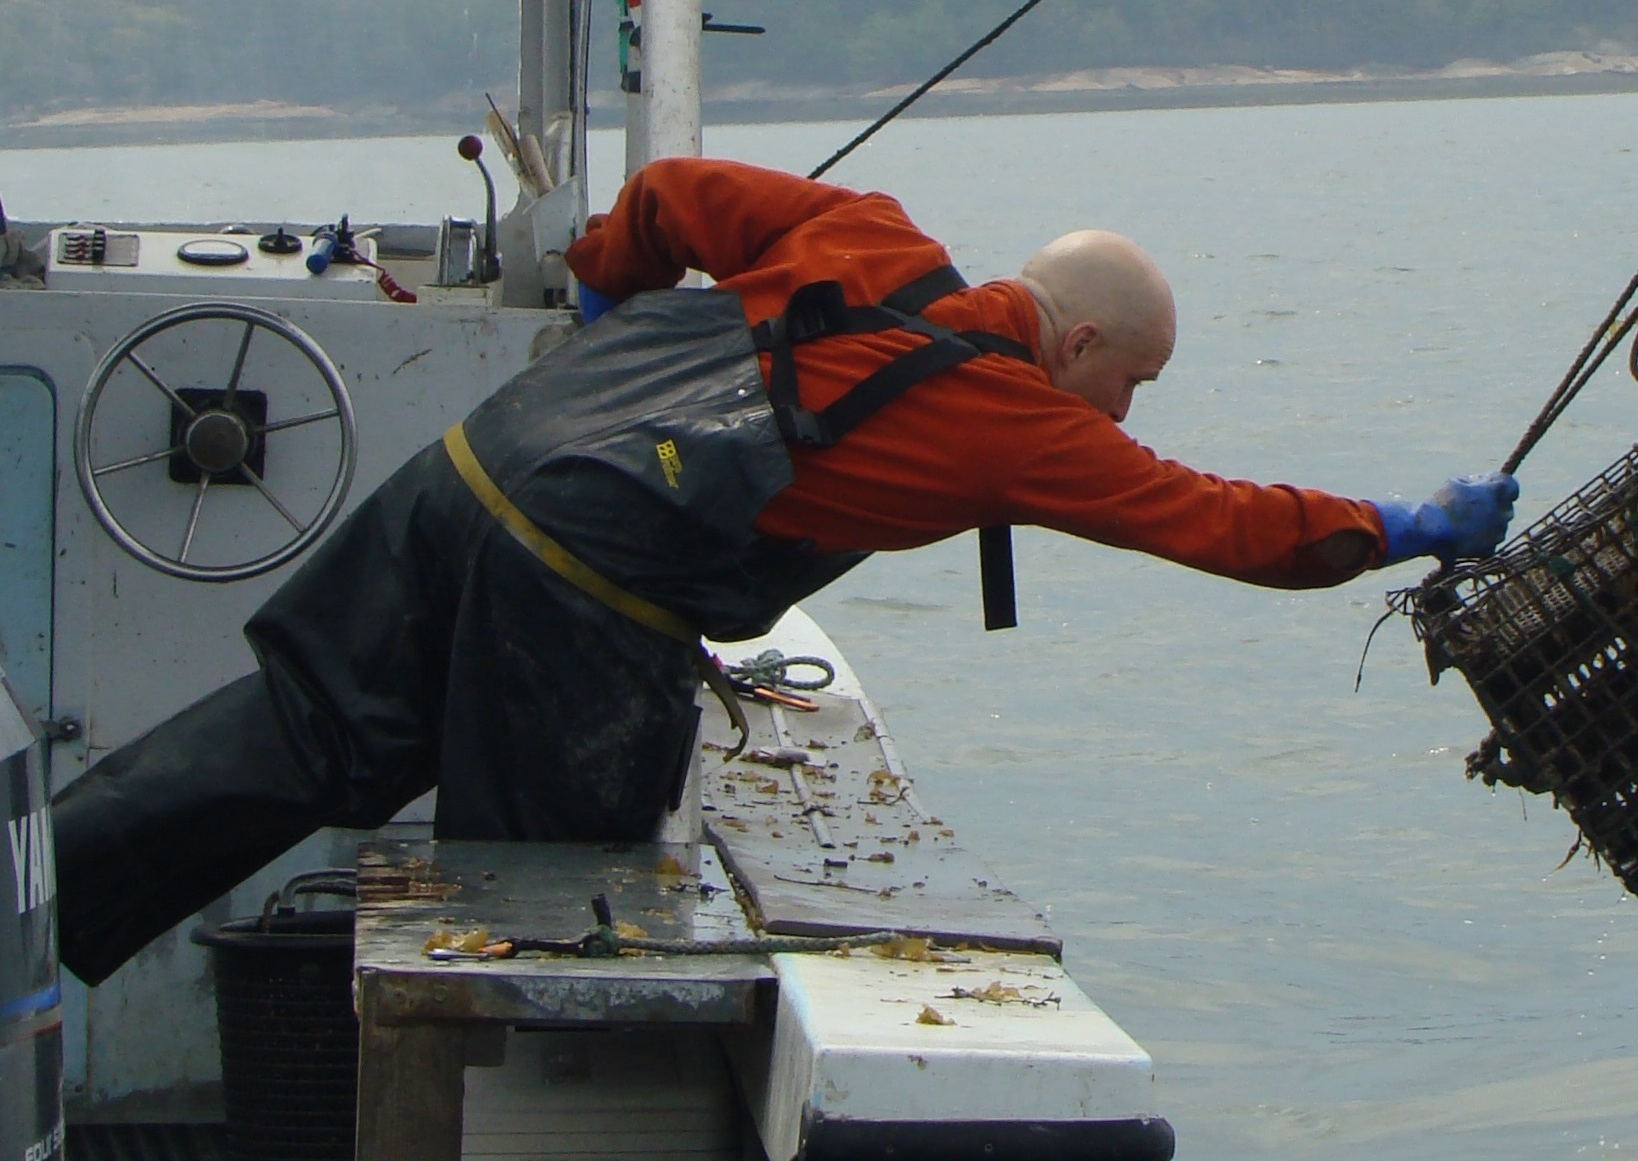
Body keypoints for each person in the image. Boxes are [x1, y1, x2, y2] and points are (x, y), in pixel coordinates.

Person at [56, 158, 1517, 983]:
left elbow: (678, 196)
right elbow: (1216, 520)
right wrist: (1399, 525)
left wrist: (600, 291)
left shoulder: (870, 231)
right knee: (555, 920)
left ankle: (34, 903)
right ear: (1074, 347)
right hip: (580, 596)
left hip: (473, 469)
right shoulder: (1014, 418)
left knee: (296, 742)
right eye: (1130, 382)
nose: (1129, 416)